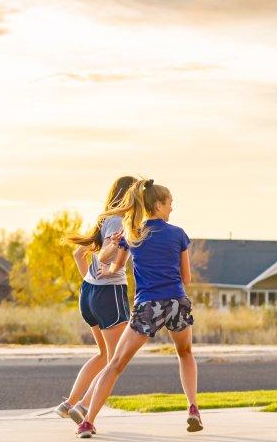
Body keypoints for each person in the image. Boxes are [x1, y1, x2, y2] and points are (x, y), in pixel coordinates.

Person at [74, 178, 202, 438]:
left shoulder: (133, 234)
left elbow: (115, 266)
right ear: (158, 205)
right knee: (185, 353)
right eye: (170, 203)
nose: (172, 208)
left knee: (116, 364)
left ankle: (87, 422)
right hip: (176, 303)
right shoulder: (178, 234)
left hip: (148, 306)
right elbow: (186, 279)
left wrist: (107, 264)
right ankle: (193, 408)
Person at [53, 176, 136, 425]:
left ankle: (69, 403)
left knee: (103, 354)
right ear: (130, 196)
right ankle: (83, 406)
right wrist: (107, 261)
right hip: (108, 295)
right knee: (115, 360)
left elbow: (79, 254)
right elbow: (107, 255)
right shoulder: (119, 221)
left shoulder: (104, 219)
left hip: (89, 293)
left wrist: (90, 283)